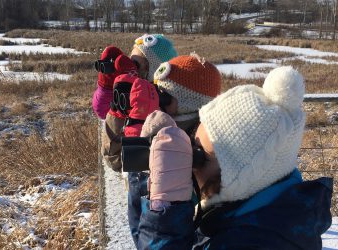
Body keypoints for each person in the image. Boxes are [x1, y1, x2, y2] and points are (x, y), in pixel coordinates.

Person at [137, 66, 333, 249]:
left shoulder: (249, 242)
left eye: (200, 155)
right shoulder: (269, 213)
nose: (191, 164)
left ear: (238, 177)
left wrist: (164, 213)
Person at [126, 55, 222, 248]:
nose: (154, 101)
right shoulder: (160, 131)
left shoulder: (211, 157)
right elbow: (140, 228)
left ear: (190, 104)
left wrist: (162, 171)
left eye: (161, 95)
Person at [101, 34, 178, 172]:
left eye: (135, 65)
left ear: (154, 69)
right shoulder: (132, 93)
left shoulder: (167, 107)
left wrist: (124, 115)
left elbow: (117, 160)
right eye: (129, 62)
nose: (131, 69)